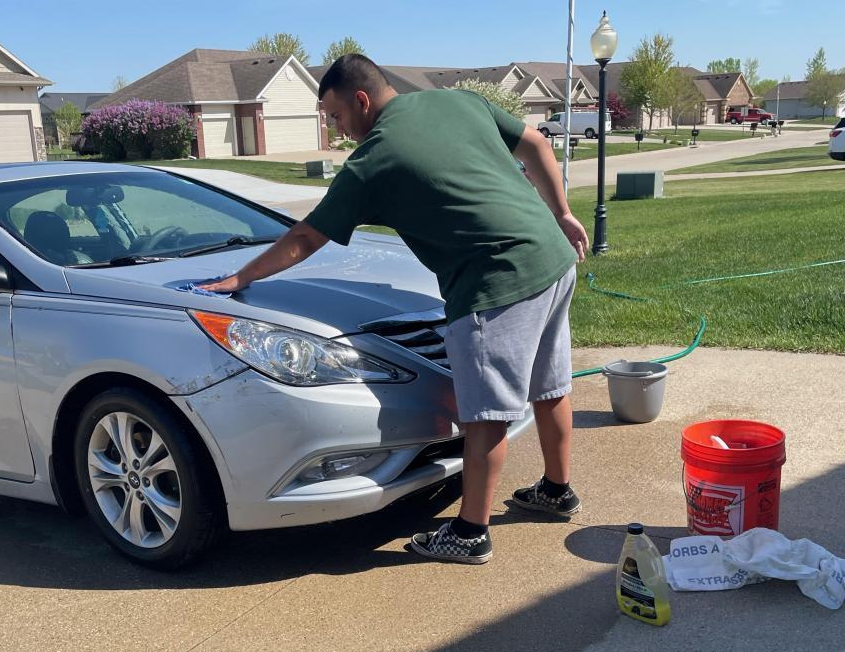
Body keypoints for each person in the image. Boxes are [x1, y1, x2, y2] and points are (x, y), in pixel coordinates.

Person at [198, 54, 588, 565]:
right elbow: (537, 143)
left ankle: (470, 532)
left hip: (497, 284)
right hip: (553, 261)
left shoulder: (374, 159)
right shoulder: (460, 101)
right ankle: (557, 491)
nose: (338, 130)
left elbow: (306, 237)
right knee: (550, 385)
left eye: (336, 116)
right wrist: (562, 213)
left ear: (361, 100)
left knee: (486, 417)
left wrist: (241, 278)